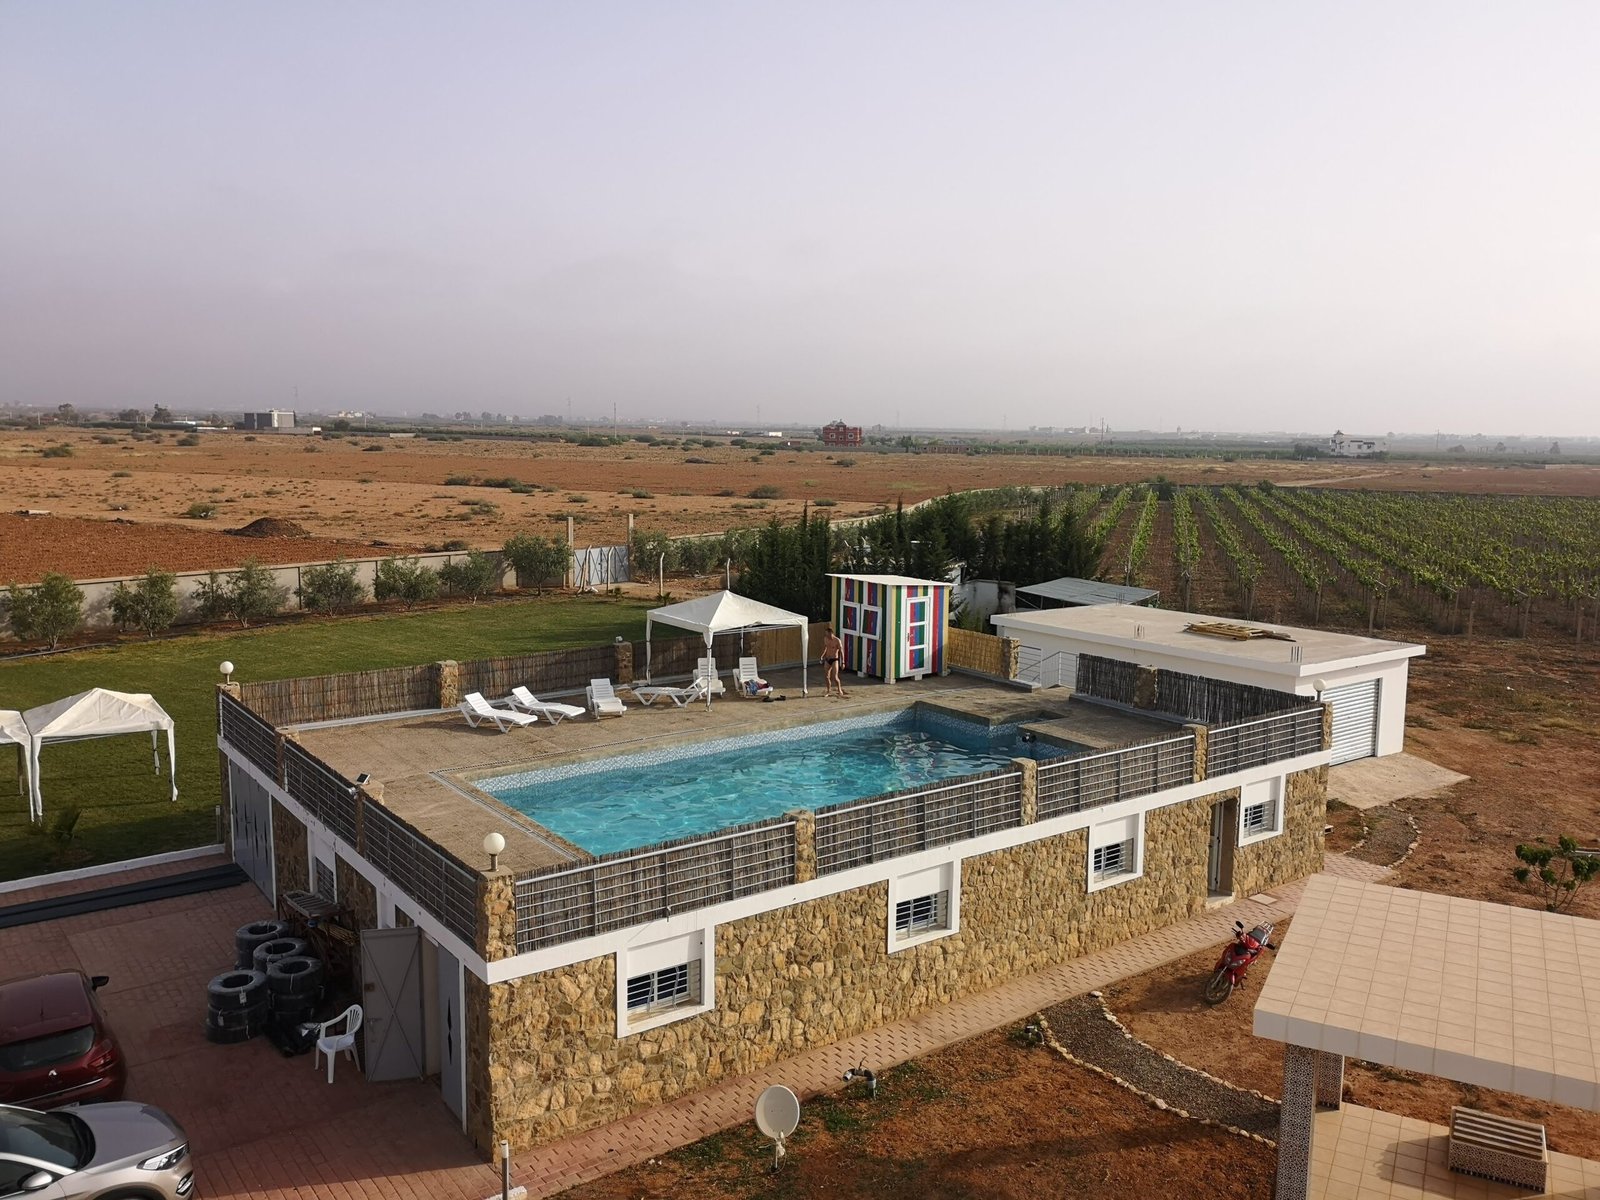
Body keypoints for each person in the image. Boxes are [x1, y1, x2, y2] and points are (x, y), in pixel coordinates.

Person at [821, 628, 848, 698]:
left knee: (835, 677)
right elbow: (825, 648)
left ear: (831, 633)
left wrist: (843, 662)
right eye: (826, 634)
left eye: (827, 634)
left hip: (834, 659)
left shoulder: (837, 640)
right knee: (826, 676)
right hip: (827, 659)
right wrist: (822, 655)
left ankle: (839, 689)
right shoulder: (825, 639)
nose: (826, 635)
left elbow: (841, 652)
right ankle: (828, 690)